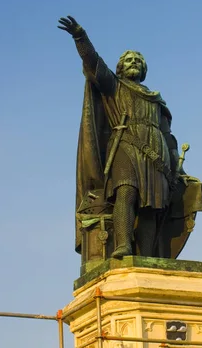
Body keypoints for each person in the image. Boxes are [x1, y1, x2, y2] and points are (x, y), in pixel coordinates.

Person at [58, 15, 186, 259]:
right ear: (120, 68)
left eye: (138, 60)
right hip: (126, 145)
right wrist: (80, 37)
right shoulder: (114, 86)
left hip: (156, 154)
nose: (134, 62)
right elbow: (93, 63)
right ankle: (123, 245)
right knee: (126, 193)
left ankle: (147, 254)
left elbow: (169, 136)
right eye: (129, 60)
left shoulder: (156, 100)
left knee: (151, 206)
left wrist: (176, 168)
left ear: (144, 69)